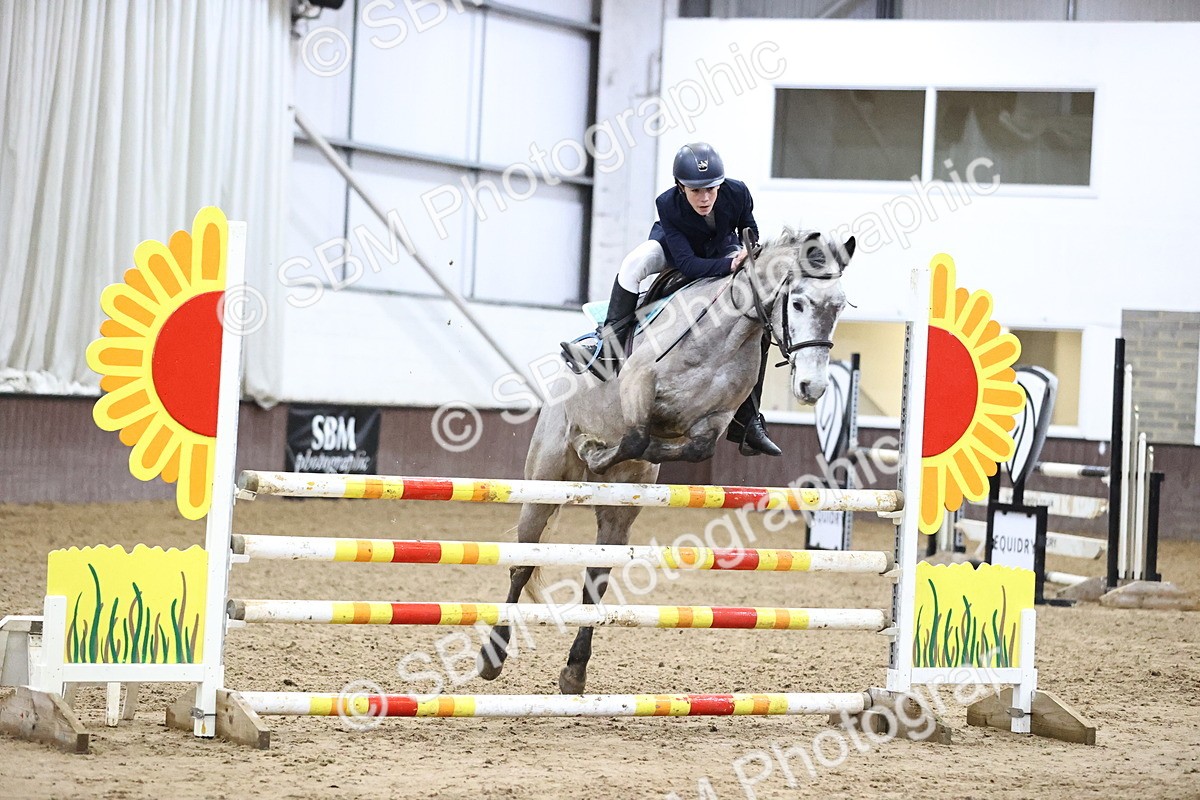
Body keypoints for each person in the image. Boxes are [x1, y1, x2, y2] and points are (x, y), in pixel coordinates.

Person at [560, 142, 781, 457]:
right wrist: (729, 265)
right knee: (633, 264)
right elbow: (688, 265)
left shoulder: (738, 192)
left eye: (711, 190)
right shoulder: (668, 204)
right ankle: (608, 349)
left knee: (755, 309)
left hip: (722, 248)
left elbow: (749, 227)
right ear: (681, 188)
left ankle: (748, 421)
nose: (704, 198)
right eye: (695, 191)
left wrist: (749, 247)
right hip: (676, 251)